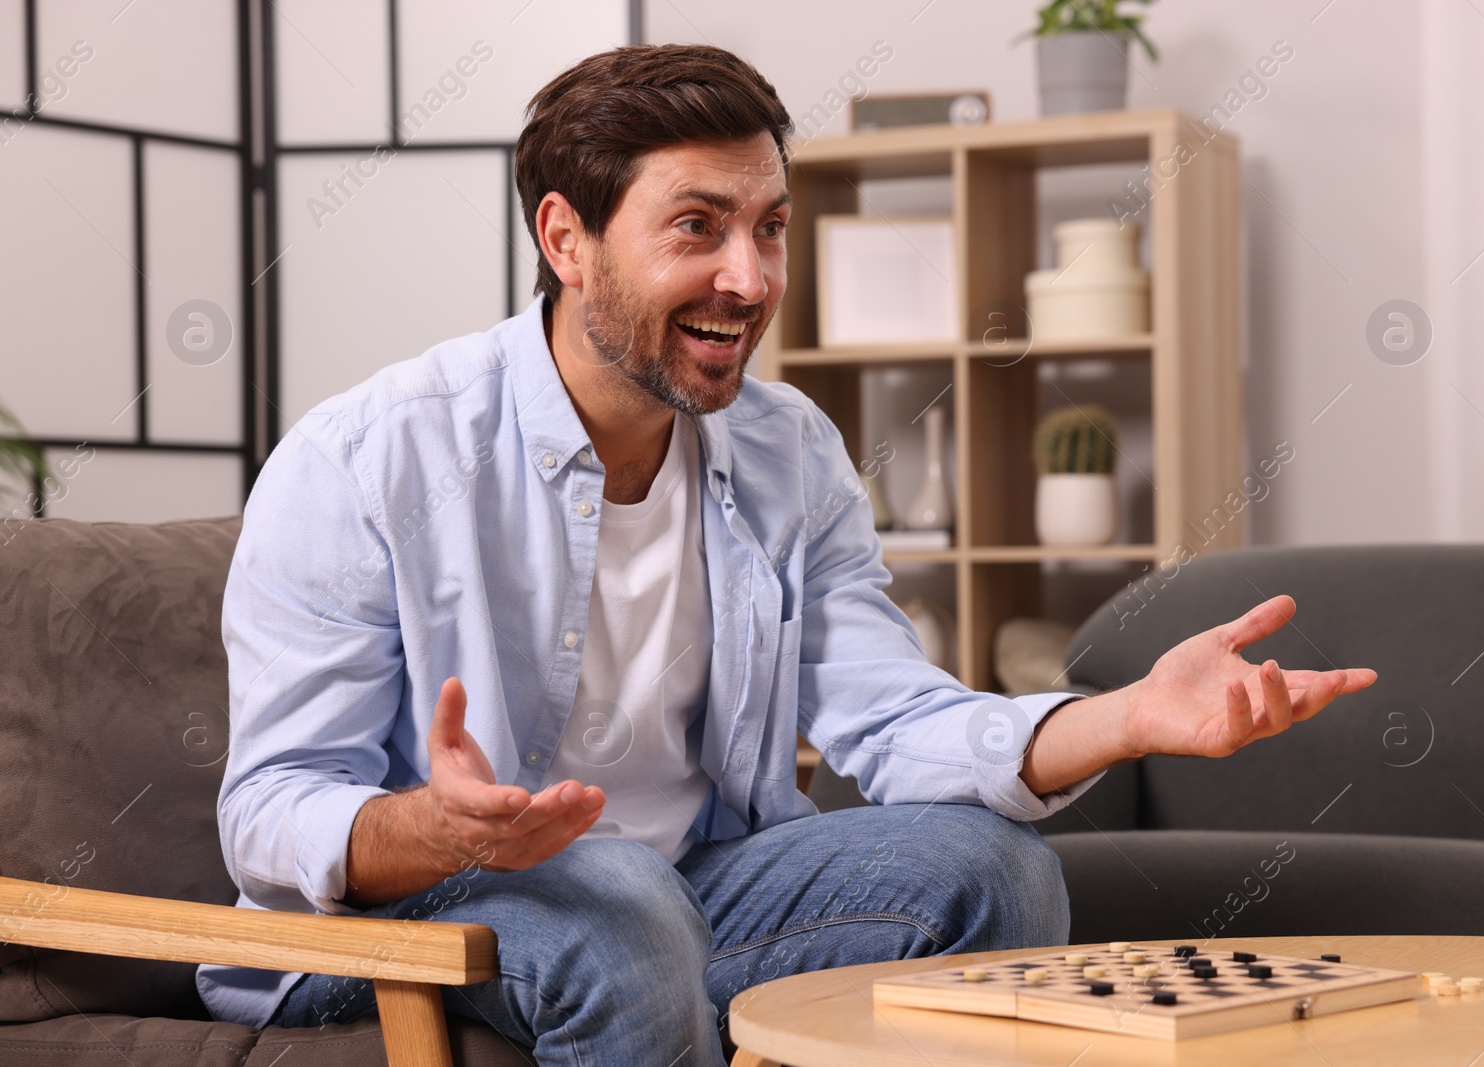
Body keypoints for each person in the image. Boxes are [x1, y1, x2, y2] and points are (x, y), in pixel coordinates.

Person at [195, 43, 1375, 1067]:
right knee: (619, 901)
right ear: (566, 236)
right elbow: (271, 808)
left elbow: (892, 718)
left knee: (991, 869)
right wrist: (440, 829)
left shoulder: (786, 447)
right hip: (406, 916)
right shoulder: (368, 456)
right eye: (696, 228)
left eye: (769, 229)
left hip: (692, 878)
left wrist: (1123, 715)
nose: (749, 282)